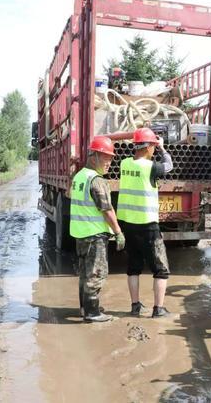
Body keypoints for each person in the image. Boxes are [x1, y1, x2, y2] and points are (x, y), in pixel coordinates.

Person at [117, 127, 173, 318]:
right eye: (154, 147)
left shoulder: (124, 163)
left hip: (127, 225)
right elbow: (169, 165)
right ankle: (158, 309)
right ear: (148, 147)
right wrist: (164, 149)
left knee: (133, 267)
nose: (154, 150)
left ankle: (135, 306)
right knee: (161, 269)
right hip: (148, 225)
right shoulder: (150, 167)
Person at [70, 136, 125, 323]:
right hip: (94, 235)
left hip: (81, 233)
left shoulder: (79, 176)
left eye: (110, 158)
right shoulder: (96, 180)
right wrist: (118, 232)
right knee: (96, 273)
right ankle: (93, 313)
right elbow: (107, 210)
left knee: (85, 273)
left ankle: (85, 308)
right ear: (93, 156)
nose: (109, 162)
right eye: (105, 157)